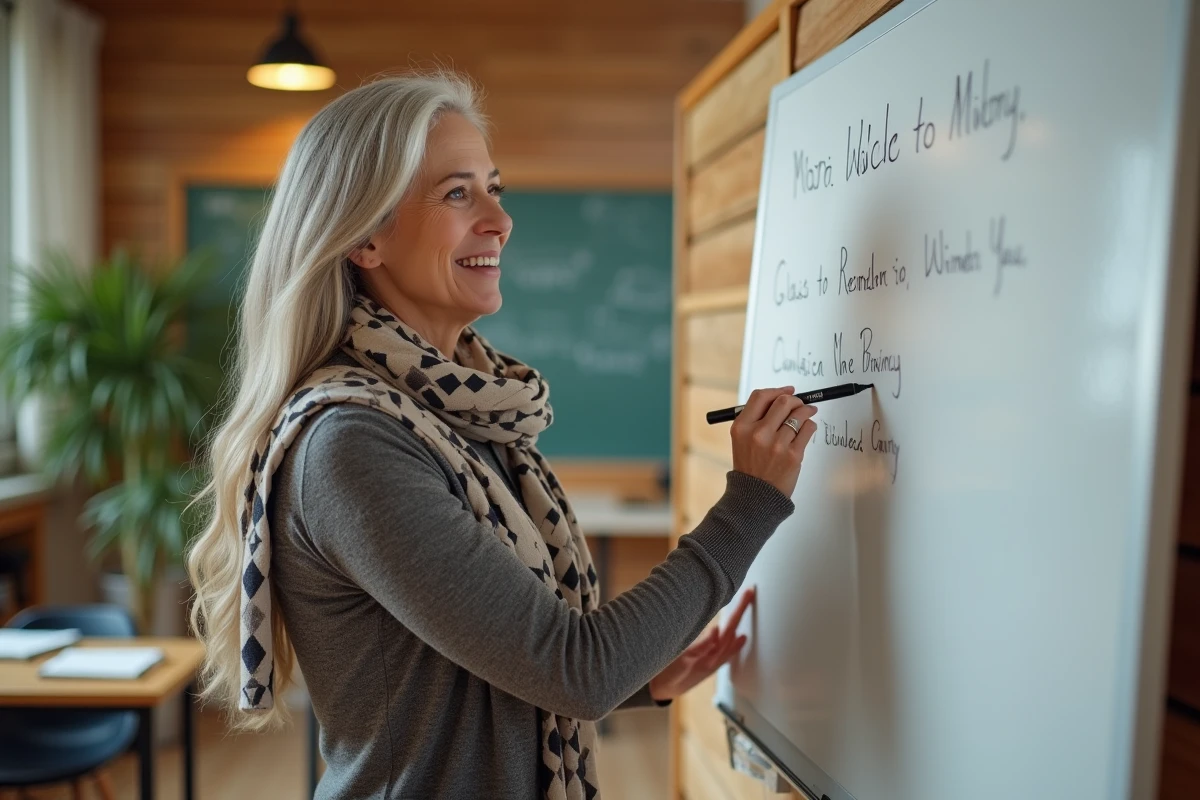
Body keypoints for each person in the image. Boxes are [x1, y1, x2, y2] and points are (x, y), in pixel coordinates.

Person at [186, 71, 819, 800]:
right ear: (365, 237)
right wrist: (749, 505)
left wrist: (636, 680)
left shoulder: (460, 414)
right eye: (457, 194)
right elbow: (576, 669)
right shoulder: (351, 444)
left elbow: (498, 663)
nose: (500, 220)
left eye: (495, 188)